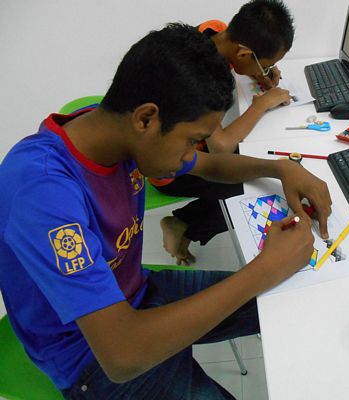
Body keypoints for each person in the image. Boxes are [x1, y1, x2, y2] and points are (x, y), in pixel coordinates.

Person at [0, 23, 331, 399]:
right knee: (269, 279)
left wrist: (281, 168)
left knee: (294, 295)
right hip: (93, 356)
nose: (192, 155)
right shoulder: (42, 192)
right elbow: (122, 356)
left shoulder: (116, 131)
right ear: (146, 118)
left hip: (138, 293)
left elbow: (212, 165)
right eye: (192, 141)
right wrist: (264, 269)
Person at [152, 0, 298, 265]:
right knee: (256, 186)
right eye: (265, 65)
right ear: (243, 53)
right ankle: (184, 224)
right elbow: (220, 147)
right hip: (169, 167)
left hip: (185, 141)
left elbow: (239, 60)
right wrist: (262, 103)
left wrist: (260, 74)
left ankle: (185, 221)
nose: (266, 71)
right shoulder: (200, 78)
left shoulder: (215, 30)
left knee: (259, 163)